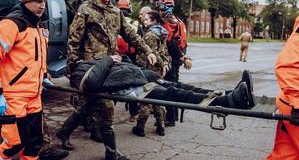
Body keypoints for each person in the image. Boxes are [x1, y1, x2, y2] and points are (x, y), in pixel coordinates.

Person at [56, 0, 157, 160]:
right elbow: (73, 39)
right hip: (91, 67)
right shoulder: (85, 9)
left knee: (88, 105)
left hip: (110, 67)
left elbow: (131, 35)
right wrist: (72, 68)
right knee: (106, 106)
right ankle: (111, 151)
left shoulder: (115, 12)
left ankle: (64, 132)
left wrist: (148, 50)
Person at [240, 15, 299, 160]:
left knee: (283, 158)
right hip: (295, 103)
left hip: (292, 102)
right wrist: (298, 104)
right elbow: (289, 63)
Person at [67, 56, 255, 113]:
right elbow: (91, 83)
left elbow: (113, 71)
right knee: (178, 94)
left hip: (142, 79)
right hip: (136, 90)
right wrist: (108, 59)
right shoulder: (78, 72)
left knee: (183, 88)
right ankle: (231, 102)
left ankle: (229, 94)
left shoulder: (87, 64)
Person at [0, 0, 50, 160]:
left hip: (34, 96)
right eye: (38, 0)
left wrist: (44, 75)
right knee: (13, 143)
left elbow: (35, 58)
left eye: (44, 1)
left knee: (34, 142)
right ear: (26, 1)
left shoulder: (38, 25)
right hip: (13, 96)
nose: (42, 5)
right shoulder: (12, 24)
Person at [132, 11, 170, 137]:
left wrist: (160, 64)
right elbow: (164, 52)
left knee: (146, 98)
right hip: (159, 71)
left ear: (153, 20)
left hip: (149, 70)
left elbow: (153, 53)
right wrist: (165, 64)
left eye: (147, 19)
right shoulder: (162, 32)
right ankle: (161, 126)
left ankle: (140, 127)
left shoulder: (150, 35)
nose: (144, 20)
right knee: (158, 98)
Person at [157, 0, 191, 127]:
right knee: (174, 84)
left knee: (168, 87)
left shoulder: (168, 22)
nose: (159, 11)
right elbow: (183, 42)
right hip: (177, 57)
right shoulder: (179, 21)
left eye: (160, 7)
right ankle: (174, 116)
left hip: (171, 58)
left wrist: (179, 57)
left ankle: (170, 118)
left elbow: (171, 43)